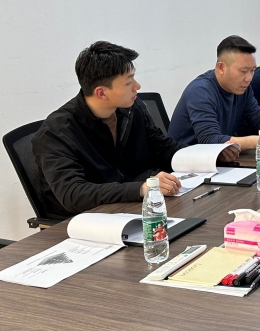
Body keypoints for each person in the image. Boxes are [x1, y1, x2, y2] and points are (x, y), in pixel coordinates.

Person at [33, 41, 237, 219]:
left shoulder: (132, 109)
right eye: (129, 82)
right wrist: (140, 188)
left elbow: (164, 149)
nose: (137, 86)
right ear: (101, 93)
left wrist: (212, 156)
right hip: (88, 223)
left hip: (135, 208)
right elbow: (73, 194)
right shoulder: (57, 131)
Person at [168, 35, 260, 153]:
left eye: (252, 70)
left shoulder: (242, 88)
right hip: (185, 166)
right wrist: (257, 141)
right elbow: (209, 139)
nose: (249, 78)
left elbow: (259, 119)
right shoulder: (201, 91)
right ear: (221, 67)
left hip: (217, 159)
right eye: (243, 71)